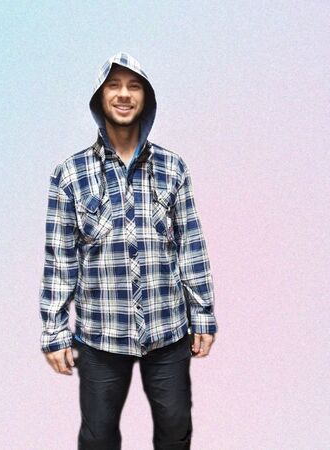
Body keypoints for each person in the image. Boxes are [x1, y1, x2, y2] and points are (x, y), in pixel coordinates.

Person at [39, 51, 218, 450]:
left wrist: (203, 314)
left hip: (168, 329)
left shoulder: (172, 167)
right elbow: (60, 257)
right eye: (114, 86)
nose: (124, 94)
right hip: (101, 334)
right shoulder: (70, 174)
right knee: (98, 438)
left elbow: (190, 243)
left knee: (176, 430)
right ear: (99, 97)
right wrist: (54, 330)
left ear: (146, 99)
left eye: (134, 86)